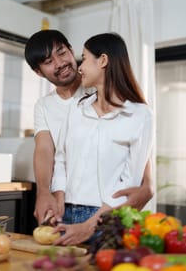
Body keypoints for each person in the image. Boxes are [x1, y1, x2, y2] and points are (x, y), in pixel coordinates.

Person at [24, 30, 153, 227]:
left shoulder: (101, 87)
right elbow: (46, 150)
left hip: (107, 204)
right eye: (48, 62)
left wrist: (148, 184)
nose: (60, 63)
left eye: (62, 52)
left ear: (71, 50)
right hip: (69, 201)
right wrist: (46, 192)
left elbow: (138, 150)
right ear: (38, 72)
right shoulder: (45, 106)